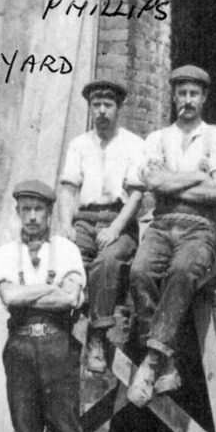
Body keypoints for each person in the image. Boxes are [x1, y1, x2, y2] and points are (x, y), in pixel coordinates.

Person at [0, 180, 94, 432]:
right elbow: (9, 297)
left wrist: (29, 291)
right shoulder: (5, 254)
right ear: (17, 213)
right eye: (25, 209)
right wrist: (44, 290)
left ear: (50, 213)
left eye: (39, 209)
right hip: (19, 346)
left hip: (57, 344)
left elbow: (70, 296)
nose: (32, 216)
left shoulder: (66, 249)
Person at [126, 65, 216, 407]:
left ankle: (152, 361)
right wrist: (194, 176)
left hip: (200, 229)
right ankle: (165, 361)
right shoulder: (157, 138)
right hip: (160, 225)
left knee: (182, 270)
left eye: (194, 94)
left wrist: (172, 181)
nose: (187, 101)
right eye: (182, 94)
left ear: (203, 98)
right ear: (173, 97)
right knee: (140, 271)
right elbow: (153, 184)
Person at [58, 79, 145, 374]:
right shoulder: (79, 145)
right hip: (85, 219)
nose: (102, 111)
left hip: (118, 220)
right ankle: (60, 333)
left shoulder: (134, 144)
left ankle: (97, 335)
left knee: (106, 261)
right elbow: (68, 189)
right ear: (91, 108)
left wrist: (116, 228)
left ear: (118, 108)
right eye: (97, 105)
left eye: (108, 105)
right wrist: (66, 225)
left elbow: (136, 194)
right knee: (66, 259)